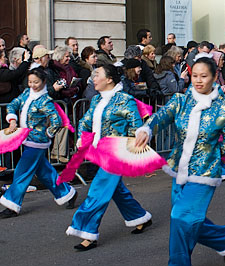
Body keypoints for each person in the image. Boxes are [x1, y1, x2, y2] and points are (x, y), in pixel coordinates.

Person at [135, 57, 225, 265]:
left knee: (181, 217)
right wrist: (147, 129)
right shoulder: (181, 100)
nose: (198, 81)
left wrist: (211, 154)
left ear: (214, 78)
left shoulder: (223, 109)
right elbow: (162, 116)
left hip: (204, 173)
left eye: (204, 76)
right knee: (186, 220)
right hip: (179, 169)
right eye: (194, 76)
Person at [66, 64, 152, 251]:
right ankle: (139, 217)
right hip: (100, 152)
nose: (93, 79)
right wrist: (81, 136)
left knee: (98, 191)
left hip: (117, 153)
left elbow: (136, 127)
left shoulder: (125, 100)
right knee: (116, 190)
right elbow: (85, 121)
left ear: (110, 79)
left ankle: (86, 231)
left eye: (97, 75)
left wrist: (129, 145)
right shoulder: (97, 100)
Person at [0, 68, 78, 218]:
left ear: (43, 82)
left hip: (37, 142)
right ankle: (67, 193)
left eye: (36, 82)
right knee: (44, 172)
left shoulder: (45, 101)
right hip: (26, 138)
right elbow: (13, 105)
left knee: (21, 171)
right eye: (30, 82)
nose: (33, 85)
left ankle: (12, 204)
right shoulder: (26, 94)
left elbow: (56, 121)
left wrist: (47, 134)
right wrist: (12, 120)